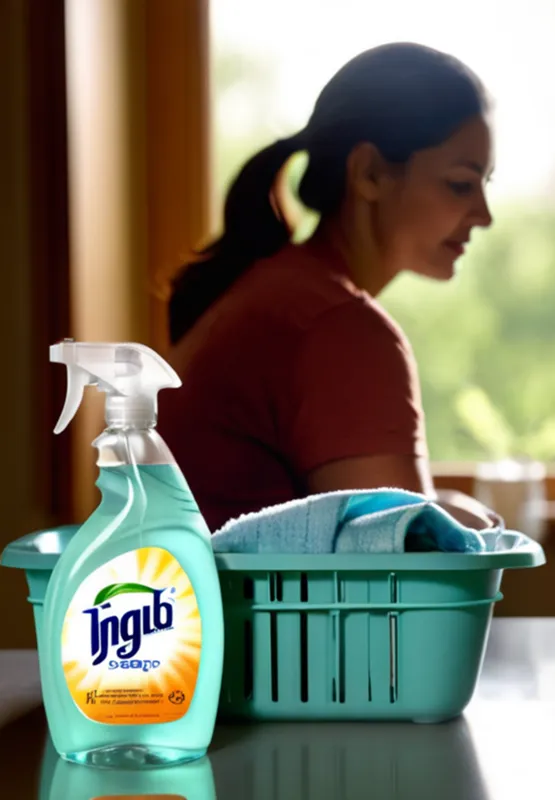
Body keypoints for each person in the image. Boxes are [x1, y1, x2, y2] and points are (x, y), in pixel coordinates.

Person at [157, 42, 496, 533]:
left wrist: (436, 506)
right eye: (461, 184)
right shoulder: (340, 329)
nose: (484, 215)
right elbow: (399, 575)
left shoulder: (277, 290)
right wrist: (455, 524)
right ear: (370, 173)